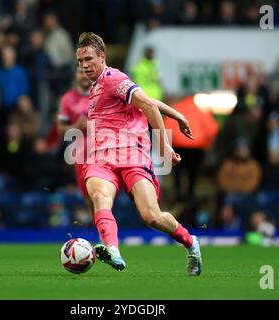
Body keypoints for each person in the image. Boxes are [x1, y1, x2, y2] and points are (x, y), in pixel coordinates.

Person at [75, 32, 201, 276]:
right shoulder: (99, 86)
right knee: (100, 197)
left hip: (132, 156)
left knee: (151, 216)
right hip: (102, 158)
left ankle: (191, 243)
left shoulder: (112, 78)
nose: (84, 66)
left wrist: (164, 147)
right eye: (80, 62)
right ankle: (112, 249)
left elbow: (149, 106)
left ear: (102, 57)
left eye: (89, 59)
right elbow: (147, 99)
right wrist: (177, 115)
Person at [57, 67, 91, 208]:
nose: (83, 75)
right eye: (79, 72)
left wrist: (95, 125)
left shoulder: (103, 95)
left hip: (104, 153)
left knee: (101, 195)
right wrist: (76, 126)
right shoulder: (67, 99)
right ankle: (99, 229)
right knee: (89, 198)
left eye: (86, 71)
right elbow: (60, 129)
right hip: (80, 157)